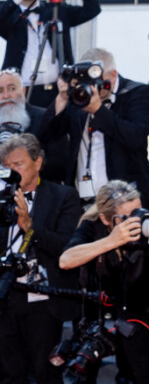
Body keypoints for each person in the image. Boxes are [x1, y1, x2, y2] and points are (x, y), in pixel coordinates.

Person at [60, 180, 149, 384]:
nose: (136, 219)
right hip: (128, 317)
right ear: (105, 219)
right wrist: (112, 241)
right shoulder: (93, 227)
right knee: (139, 376)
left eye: (139, 210)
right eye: (127, 217)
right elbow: (65, 261)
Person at [0, 133, 81, 384]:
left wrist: (29, 225)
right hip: (5, 294)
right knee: (10, 370)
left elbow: (66, 246)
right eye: (6, 166)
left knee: (46, 371)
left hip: (43, 296)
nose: (12, 171)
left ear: (38, 162)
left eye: (18, 164)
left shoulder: (63, 196)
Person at [39, 48, 149, 214]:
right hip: (82, 204)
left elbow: (136, 137)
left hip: (125, 203)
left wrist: (98, 109)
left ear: (113, 75)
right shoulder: (78, 97)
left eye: (97, 82)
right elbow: (47, 135)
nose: (93, 89)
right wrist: (62, 97)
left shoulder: (138, 93)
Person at [0, 0, 101, 107]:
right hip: (23, 91)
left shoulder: (55, 10)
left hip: (58, 90)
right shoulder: (10, 16)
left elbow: (92, 10)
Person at [0, 68, 67, 181]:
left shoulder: (46, 118)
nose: (6, 96)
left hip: (40, 192)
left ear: (23, 91)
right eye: (0, 91)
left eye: (12, 89)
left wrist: (27, 166)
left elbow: (60, 164)